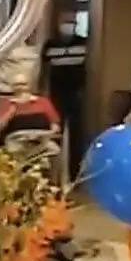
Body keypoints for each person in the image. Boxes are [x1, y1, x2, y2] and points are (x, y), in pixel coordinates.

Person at [41, 12, 88, 173]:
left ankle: (75, 173)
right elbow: (43, 71)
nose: (68, 26)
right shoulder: (50, 45)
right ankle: (54, 173)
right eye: (65, 22)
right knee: (55, 134)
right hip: (56, 94)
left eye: (71, 22)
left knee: (76, 135)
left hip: (76, 93)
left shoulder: (84, 43)